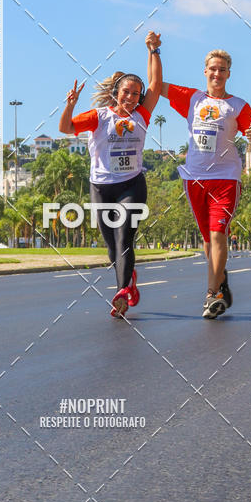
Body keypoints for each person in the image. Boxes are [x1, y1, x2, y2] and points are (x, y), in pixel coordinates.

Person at [59, 32, 162, 318]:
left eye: (135, 94)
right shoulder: (99, 116)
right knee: (111, 246)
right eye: (126, 92)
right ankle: (129, 282)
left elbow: (154, 84)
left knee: (124, 238)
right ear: (116, 92)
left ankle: (121, 294)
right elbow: (66, 128)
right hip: (101, 187)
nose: (131, 97)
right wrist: (70, 104)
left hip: (132, 185)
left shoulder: (141, 115)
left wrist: (153, 50)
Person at [157, 49, 251, 319]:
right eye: (213, 69)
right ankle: (221, 280)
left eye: (222, 70)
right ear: (205, 71)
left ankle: (211, 294)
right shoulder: (192, 98)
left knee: (218, 234)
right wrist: (154, 51)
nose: (217, 73)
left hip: (226, 178)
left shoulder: (238, 106)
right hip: (195, 178)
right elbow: (156, 85)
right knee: (207, 240)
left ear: (228, 74)